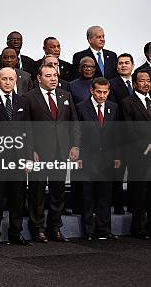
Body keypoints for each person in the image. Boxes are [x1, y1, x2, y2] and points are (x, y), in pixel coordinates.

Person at [23, 65, 80, 243]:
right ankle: (38, 228)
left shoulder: (66, 95)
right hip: (39, 153)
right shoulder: (28, 97)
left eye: (55, 75)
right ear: (39, 78)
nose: (53, 78)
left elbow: (74, 123)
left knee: (58, 191)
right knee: (37, 192)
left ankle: (54, 227)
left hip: (61, 151)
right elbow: (26, 128)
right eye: (48, 76)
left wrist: (75, 146)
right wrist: (30, 150)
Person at [0, 67, 33, 246]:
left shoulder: (22, 101)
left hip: (18, 159)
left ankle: (16, 233)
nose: (7, 82)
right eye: (4, 79)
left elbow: (28, 131)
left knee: (18, 198)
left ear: (15, 81)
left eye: (11, 79)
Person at [76, 77, 120, 240]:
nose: (102, 95)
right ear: (91, 91)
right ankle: (89, 230)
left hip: (107, 158)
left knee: (105, 195)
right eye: (99, 92)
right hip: (88, 157)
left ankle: (104, 229)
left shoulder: (113, 107)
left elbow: (116, 133)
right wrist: (78, 155)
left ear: (109, 91)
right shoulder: (81, 108)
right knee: (88, 195)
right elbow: (77, 133)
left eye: (105, 92)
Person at [120, 70, 151, 239]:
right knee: (139, 193)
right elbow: (128, 130)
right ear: (134, 83)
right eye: (142, 81)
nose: (146, 83)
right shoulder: (127, 103)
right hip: (138, 155)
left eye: (148, 80)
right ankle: (138, 228)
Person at [108, 53, 135, 214]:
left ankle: (134, 204)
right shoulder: (112, 84)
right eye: (120, 63)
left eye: (127, 63)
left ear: (132, 65)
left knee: (136, 173)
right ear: (116, 66)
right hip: (120, 136)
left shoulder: (139, 83)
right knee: (118, 172)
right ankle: (118, 205)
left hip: (139, 138)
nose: (123, 65)